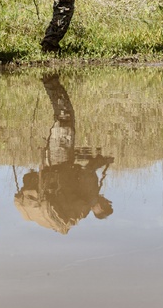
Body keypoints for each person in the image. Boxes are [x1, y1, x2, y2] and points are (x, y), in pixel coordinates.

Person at [13, 74, 113, 233]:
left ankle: (49, 79)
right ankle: (49, 80)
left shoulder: (88, 200)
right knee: (63, 119)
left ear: (100, 208)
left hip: (59, 160)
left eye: (107, 203)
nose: (106, 199)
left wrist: (98, 162)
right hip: (52, 165)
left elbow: (87, 171)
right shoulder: (81, 207)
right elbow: (79, 174)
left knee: (65, 118)